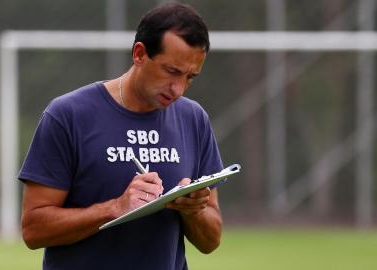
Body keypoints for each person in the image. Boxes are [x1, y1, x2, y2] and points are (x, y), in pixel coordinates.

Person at [19, 3, 224, 270]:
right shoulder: (68, 115)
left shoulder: (193, 119)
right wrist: (115, 207)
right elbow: (33, 230)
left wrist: (192, 210)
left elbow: (211, 241)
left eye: (190, 77)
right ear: (139, 53)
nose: (178, 89)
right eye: (172, 71)